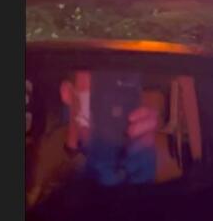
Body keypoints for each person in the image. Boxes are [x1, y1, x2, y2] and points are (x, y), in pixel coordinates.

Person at [26, 70, 162, 211]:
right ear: (67, 93)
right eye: (102, 82)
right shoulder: (40, 159)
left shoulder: (147, 153)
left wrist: (145, 182)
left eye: (124, 82)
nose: (112, 98)